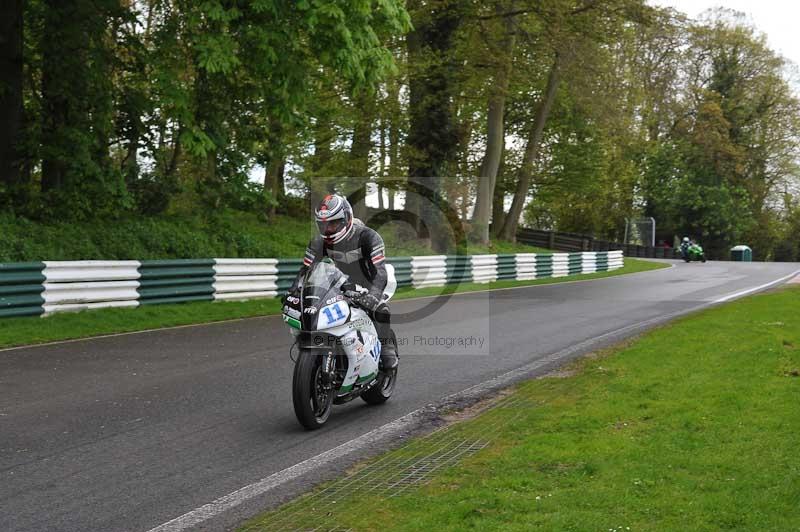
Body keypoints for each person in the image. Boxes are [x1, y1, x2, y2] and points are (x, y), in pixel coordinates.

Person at [285, 194, 399, 369]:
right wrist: (293, 290)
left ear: (347, 218)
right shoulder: (317, 242)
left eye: (333, 223)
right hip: (341, 282)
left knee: (380, 308)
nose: (328, 229)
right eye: (323, 224)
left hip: (371, 281)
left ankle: (386, 347)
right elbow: (305, 271)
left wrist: (374, 295)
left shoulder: (369, 237)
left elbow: (381, 271)